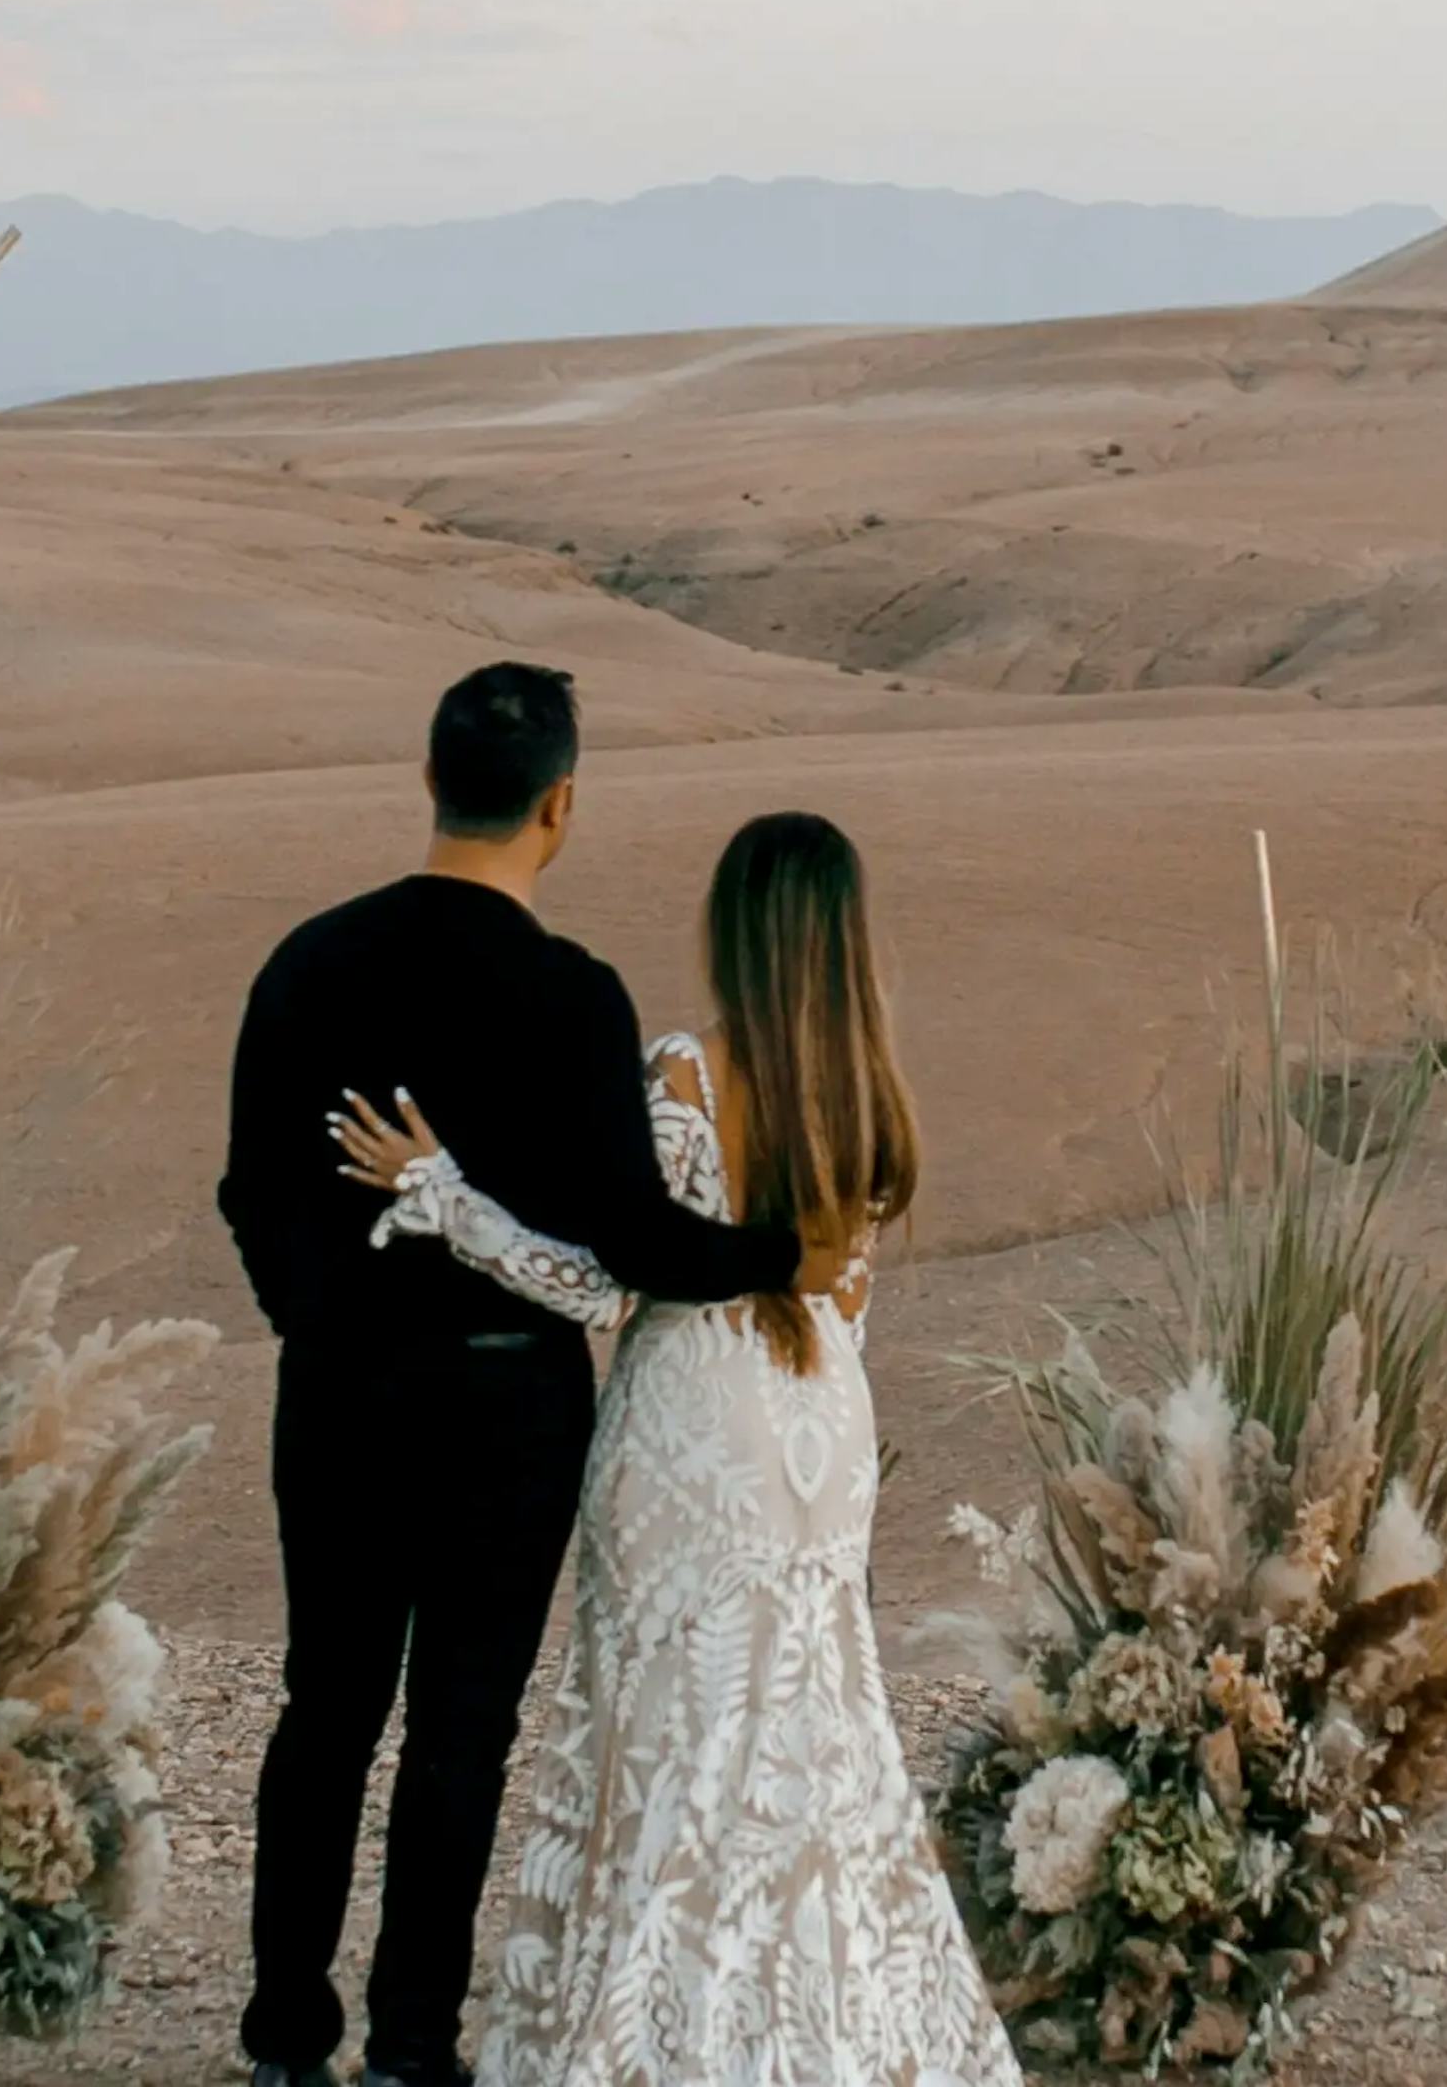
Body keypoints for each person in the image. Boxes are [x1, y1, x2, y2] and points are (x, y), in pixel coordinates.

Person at [219, 664, 847, 2087]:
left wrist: (314, 1317)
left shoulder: (307, 963)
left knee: (325, 1710)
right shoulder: (572, 998)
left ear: (428, 779)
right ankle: (412, 2049)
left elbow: (249, 1192)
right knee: (459, 1728)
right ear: (560, 806)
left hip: (336, 1394)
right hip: (509, 1411)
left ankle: (282, 2043)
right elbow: (632, 1241)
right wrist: (778, 1255)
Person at [324, 810, 1022, 2086]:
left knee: (673, 1731)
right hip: (821, 1431)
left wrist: (445, 1198)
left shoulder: (688, 1072)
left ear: (736, 927)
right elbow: (846, 1301)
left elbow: (603, 1284)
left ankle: (660, 2032)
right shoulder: (871, 1092)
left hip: (697, 1426)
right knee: (815, 1731)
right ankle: (831, 2027)